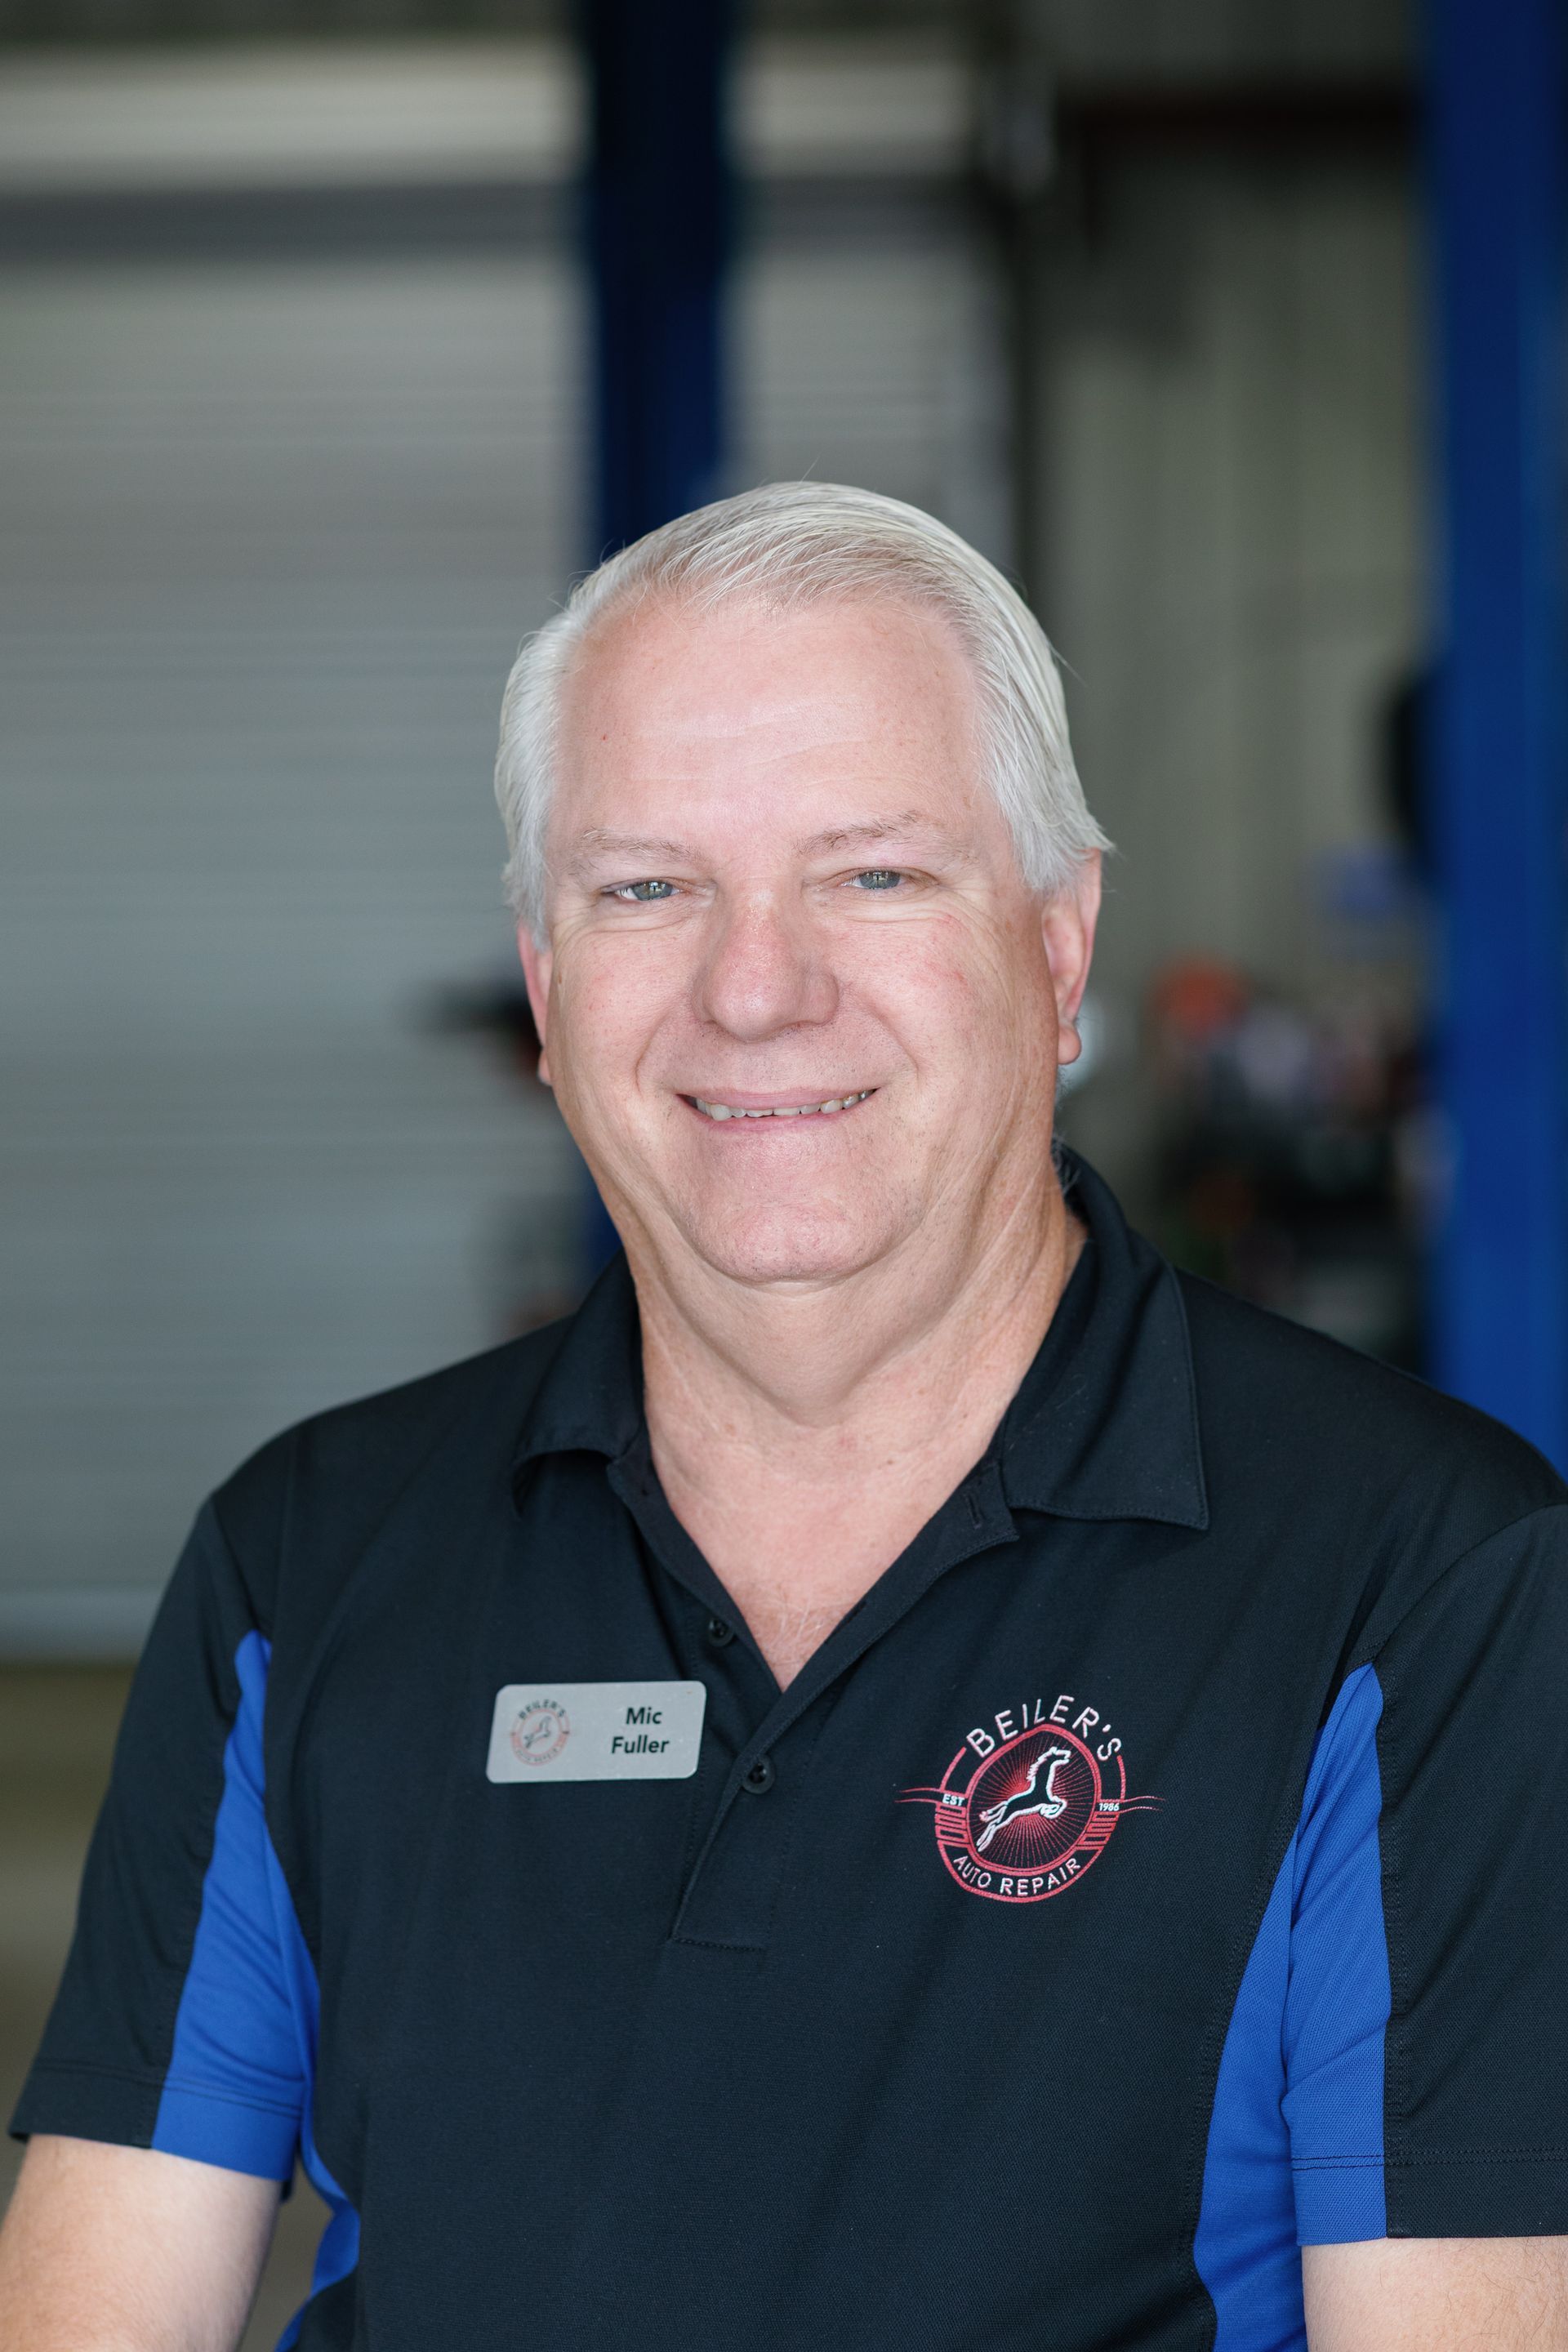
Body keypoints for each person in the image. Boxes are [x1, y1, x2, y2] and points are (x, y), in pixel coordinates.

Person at [2, 483, 1565, 2352]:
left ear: (1060, 951)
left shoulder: (1421, 1577)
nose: (757, 990)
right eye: (647, 887)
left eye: (875, 873)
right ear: (546, 980)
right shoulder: (309, 1558)